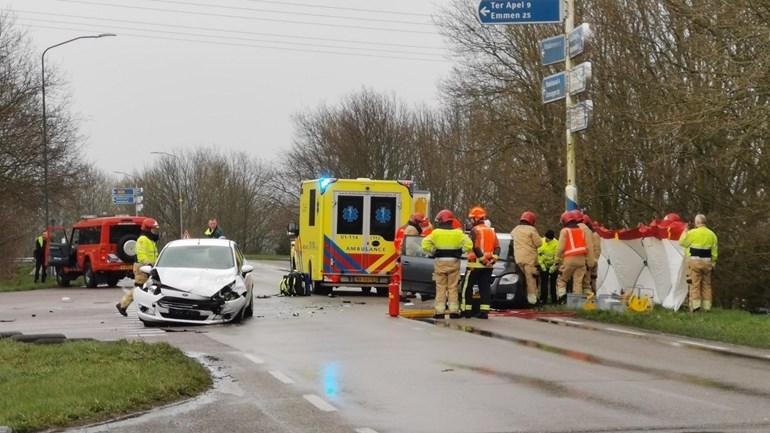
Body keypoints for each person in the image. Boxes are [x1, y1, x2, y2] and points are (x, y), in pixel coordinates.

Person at [422, 209, 472, 319]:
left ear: (441, 221)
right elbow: (469, 244)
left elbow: (424, 244)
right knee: (452, 287)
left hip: (440, 262)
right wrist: (460, 251)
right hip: (454, 262)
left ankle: (440, 311)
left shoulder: (436, 233)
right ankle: (454, 310)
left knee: (440, 287)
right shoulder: (458, 233)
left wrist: (433, 251)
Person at [461, 207, 500, 319]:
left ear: (477, 218)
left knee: (467, 287)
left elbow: (475, 247)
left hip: (475, 264)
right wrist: (492, 260)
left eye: (472, 218)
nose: (471, 221)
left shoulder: (475, 230)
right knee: (485, 288)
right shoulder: (491, 231)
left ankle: (466, 311)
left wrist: (483, 260)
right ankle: (484, 312)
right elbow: (497, 247)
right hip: (488, 266)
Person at [116, 218, 160, 316]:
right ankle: (122, 305)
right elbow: (141, 255)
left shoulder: (150, 239)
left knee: (146, 289)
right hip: (142, 268)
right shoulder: (143, 240)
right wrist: (148, 264)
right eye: (153, 229)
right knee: (140, 289)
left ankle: (142, 305)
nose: (155, 232)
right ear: (148, 229)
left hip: (149, 267)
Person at [679, 214, 718, 312]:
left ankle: (695, 306)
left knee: (695, 284)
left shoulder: (692, 233)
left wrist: (685, 231)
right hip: (707, 263)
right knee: (707, 285)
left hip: (694, 263)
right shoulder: (712, 235)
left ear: (697, 223)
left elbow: (682, 243)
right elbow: (714, 251)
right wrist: (713, 262)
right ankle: (707, 307)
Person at [554, 210, 589, 302]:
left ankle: (562, 299)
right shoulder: (581, 231)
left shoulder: (565, 231)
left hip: (569, 260)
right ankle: (577, 303)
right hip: (581, 260)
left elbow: (560, 248)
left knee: (562, 280)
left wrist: (556, 260)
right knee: (578, 282)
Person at [511, 211, 542, 306]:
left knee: (522, 280)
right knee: (531, 280)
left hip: (518, 259)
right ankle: (533, 301)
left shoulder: (515, 230)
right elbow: (539, 243)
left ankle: (522, 298)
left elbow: (512, 237)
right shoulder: (531, 230)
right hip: (529, 260)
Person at [581, 214, 602, 293]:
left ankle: (591, 295)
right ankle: (593, 294)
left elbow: (595, 249)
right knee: (591, 279)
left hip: (591, 260)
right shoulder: (593, 234)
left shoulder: (592, 235)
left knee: (588, 280)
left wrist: (591, 260)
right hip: (593, 260)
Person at [537, 230, 559, 304]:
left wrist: (554, 266)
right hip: (543, 265)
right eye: (546, 238)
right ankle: (543, 299)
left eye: (548, 239)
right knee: (544, 283)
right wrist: (541, 264)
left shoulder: (556, 243)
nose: (546, 240)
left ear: (552, 239)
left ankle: (554, 300)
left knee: (553, 283)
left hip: (553, 266)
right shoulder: (541, 241)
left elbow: (558, 257)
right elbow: (538, 254)